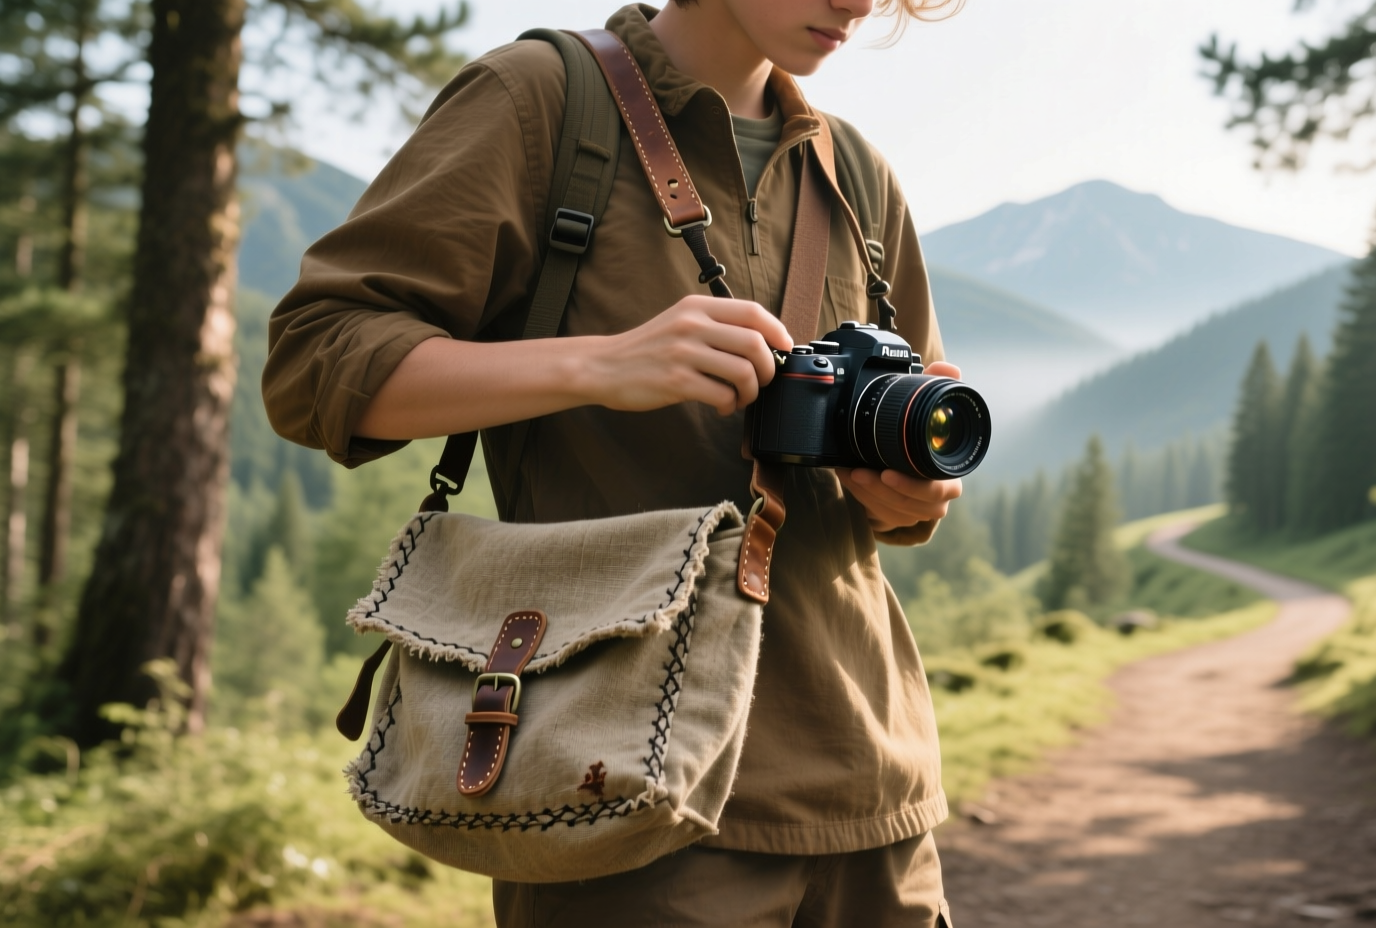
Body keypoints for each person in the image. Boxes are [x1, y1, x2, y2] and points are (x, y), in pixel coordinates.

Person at [263, 0, 965, 924]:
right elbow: (315, 361)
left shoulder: (855, 173)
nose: (861, 3)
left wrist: (912, 490)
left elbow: (922, 474)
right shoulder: (541, 102)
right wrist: (598, 364)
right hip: (622, 798)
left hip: (875, 791)